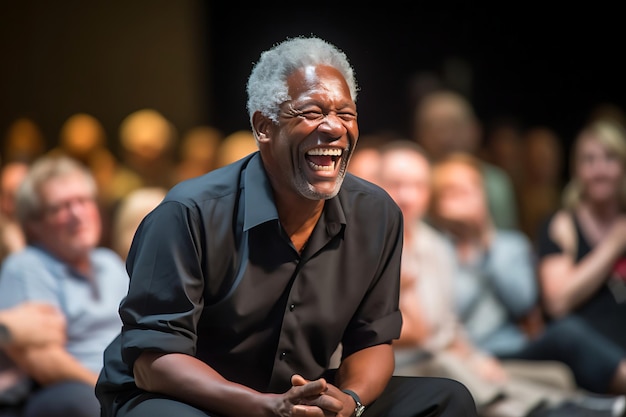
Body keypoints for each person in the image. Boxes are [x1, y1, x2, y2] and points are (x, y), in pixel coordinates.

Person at [95, 35, 477, 417]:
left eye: (345, 114)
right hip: (192, 398)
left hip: (294, 396)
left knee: (447, 399)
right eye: (312, 112)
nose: (334, 128)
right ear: (264, 126)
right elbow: (153, 362)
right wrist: (263, 407)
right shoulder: (188, 212)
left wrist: (351, 402)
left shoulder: (377, 214)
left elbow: (372, 342)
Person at [379, 140, 625, 417]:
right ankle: (576, 410)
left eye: (418, 186)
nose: (407, 196)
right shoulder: (422, 244)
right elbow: (423, 331)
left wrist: (482, 238)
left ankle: (581, 406)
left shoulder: (457, 245)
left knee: (556, 373)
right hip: (435, 358)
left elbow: (520, 302)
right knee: (454, 370)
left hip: (494, 347)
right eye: (450, 192)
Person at [0, 155, 130, 417]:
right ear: (34, 225)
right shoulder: (27, 266)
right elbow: (42, 361)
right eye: (61, 207)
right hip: (75, 391)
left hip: (128, 384)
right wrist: (110, 391)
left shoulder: (110, 263)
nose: (78, 214)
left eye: (84, 201)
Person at [536, 119, 626, 351]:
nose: (599, 170)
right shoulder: (562, 224)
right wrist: (613, 245)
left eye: (610, 158)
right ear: (576, 169)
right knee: (568, 331)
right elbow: (557, 303)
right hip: (585, 347)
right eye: (589, 160)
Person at [412, 88, 519, 230]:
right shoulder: (413, 182)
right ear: (419, 134)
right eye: (435, 127)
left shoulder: (495, 182)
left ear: (474, 131)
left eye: (454, 126)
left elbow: (506, 235)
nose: (445, 137)